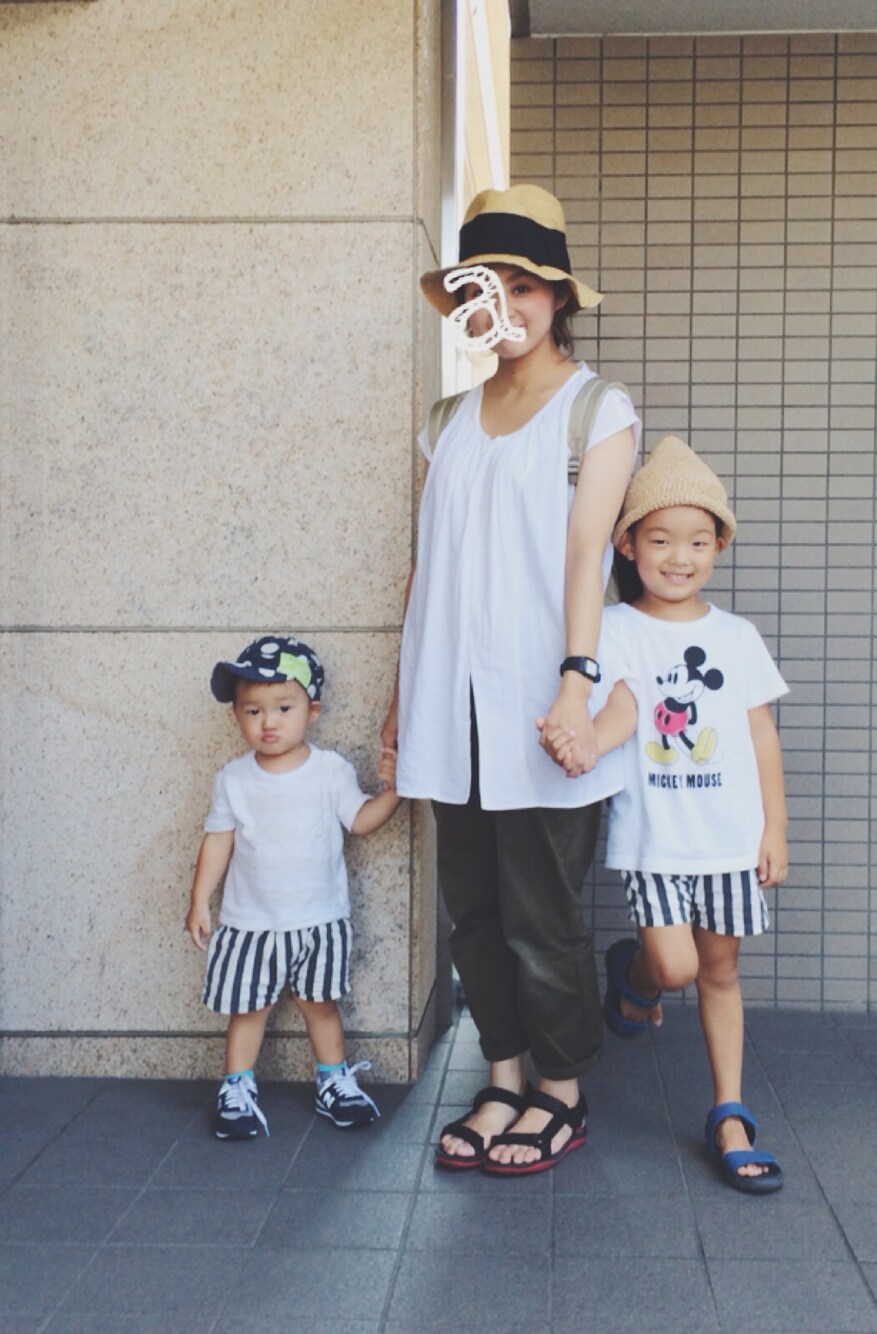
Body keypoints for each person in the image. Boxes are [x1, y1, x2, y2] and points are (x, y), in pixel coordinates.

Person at [383, 184, 638, 1175]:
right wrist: (400, 705)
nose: (507, 305)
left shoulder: (595, 409)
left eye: (524, 285)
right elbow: (426, 568)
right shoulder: (445, 419)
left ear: (557, 295)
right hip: (450, 702)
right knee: (474, 908)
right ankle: (501, 1074)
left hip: (541, 702)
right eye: (485, 287)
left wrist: (575, 683)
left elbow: (585, 557)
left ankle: (560, 1090)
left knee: (542, 912)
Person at [543, 437, 789, 1193]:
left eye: (697, 541)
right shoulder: (615, 627)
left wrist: (775, 828)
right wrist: (585, 741)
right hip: (655, 840)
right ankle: (636, 976)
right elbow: (622, 706)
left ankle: (730, 1113)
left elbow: (760, 734)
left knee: (720, 969)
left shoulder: (736, 638)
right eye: (660, 540)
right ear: (627, 544)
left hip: (729, 839)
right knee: (678, 968)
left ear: (718, 546)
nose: (679, 557)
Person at [186, 634, 401, 1140]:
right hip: (249, 923)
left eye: (284, 708)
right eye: (253, 711)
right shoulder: (234, 779)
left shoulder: (329, 771)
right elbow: (218, 841)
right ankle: (236, 1088)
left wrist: (396, 791)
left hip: (319, 920)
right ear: (237, 716)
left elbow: (360, 820)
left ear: (312, 710)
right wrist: (199, 900)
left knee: (320, 1006)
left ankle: (334, 1080)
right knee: (248, 1009)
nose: (268, 722)